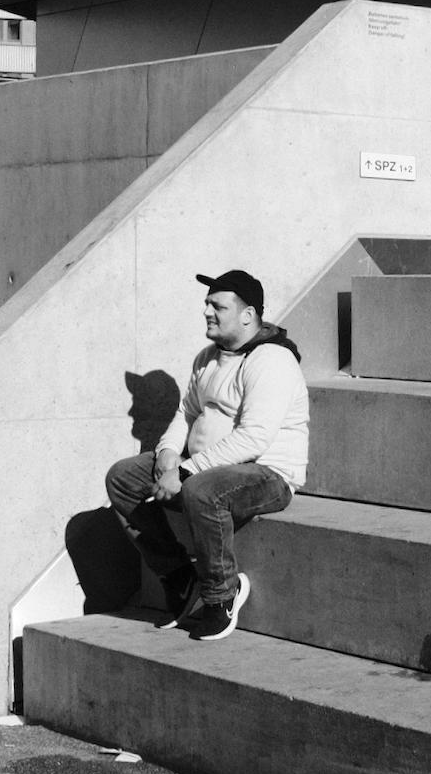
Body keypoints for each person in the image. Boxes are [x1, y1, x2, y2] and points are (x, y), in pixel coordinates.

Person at [105, 269, 309, 642]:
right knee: (122, 477)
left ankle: (221, 595)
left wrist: (183, 472)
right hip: (204, 468)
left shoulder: (272, 361)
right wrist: (168, 454)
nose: (207, 312)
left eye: (218, 306)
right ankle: (181, 579)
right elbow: (186, 413)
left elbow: (254, 438)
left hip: (266, 473)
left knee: (201, 489)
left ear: (247, 315)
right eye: (207, 305)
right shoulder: (207, 357)